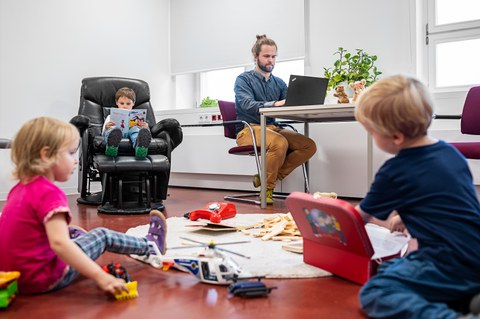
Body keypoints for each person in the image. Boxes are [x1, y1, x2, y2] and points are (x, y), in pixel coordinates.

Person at [354, 75, 480, 319]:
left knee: (377, 290)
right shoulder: (451, 154)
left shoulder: (394, 171)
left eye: (372, 132)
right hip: (475, 254)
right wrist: (405, 214)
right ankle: (467, 297)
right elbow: (443, 200)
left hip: (446, 262)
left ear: (397, 136)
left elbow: (358, 217)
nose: (372, 137)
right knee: (392, 266)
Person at [0, 117, 167, 295]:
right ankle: (150, 245)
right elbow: (59, 244)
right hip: (43, 278)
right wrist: (100, 277)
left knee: (68, 230)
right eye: (71, 153)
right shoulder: (49, 193)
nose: (76, 160)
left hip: (14, 278)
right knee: (102, 235)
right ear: (46, 154)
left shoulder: (19, 188)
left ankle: (75, 240)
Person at [234, 34, 316, 204]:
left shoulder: (279, 83)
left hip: (272, 127)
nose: (270, 60)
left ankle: (264, 178)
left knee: (308, 145)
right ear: (256, 56)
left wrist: (302, 101)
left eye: (273, 56)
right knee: (279, 142)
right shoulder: (243, 80)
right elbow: (248, 104)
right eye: (266, 56)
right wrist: (276, 104)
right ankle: (267, 189)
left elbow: (289, 104)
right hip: (248, 129)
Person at [103, 87, 151, 158]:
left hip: (131, 131)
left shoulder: (137, 115)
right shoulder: (111, 116)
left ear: (133, 103)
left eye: (128, 104)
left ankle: (140, 148)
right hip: (117, 131)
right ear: (117, 102)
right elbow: (103, 131)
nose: (125, 106)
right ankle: (111, 147)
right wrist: (106, 127)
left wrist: (146, 127)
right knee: (112, 131)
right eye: (122, 103)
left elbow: (146, 133)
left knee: (136, 131)